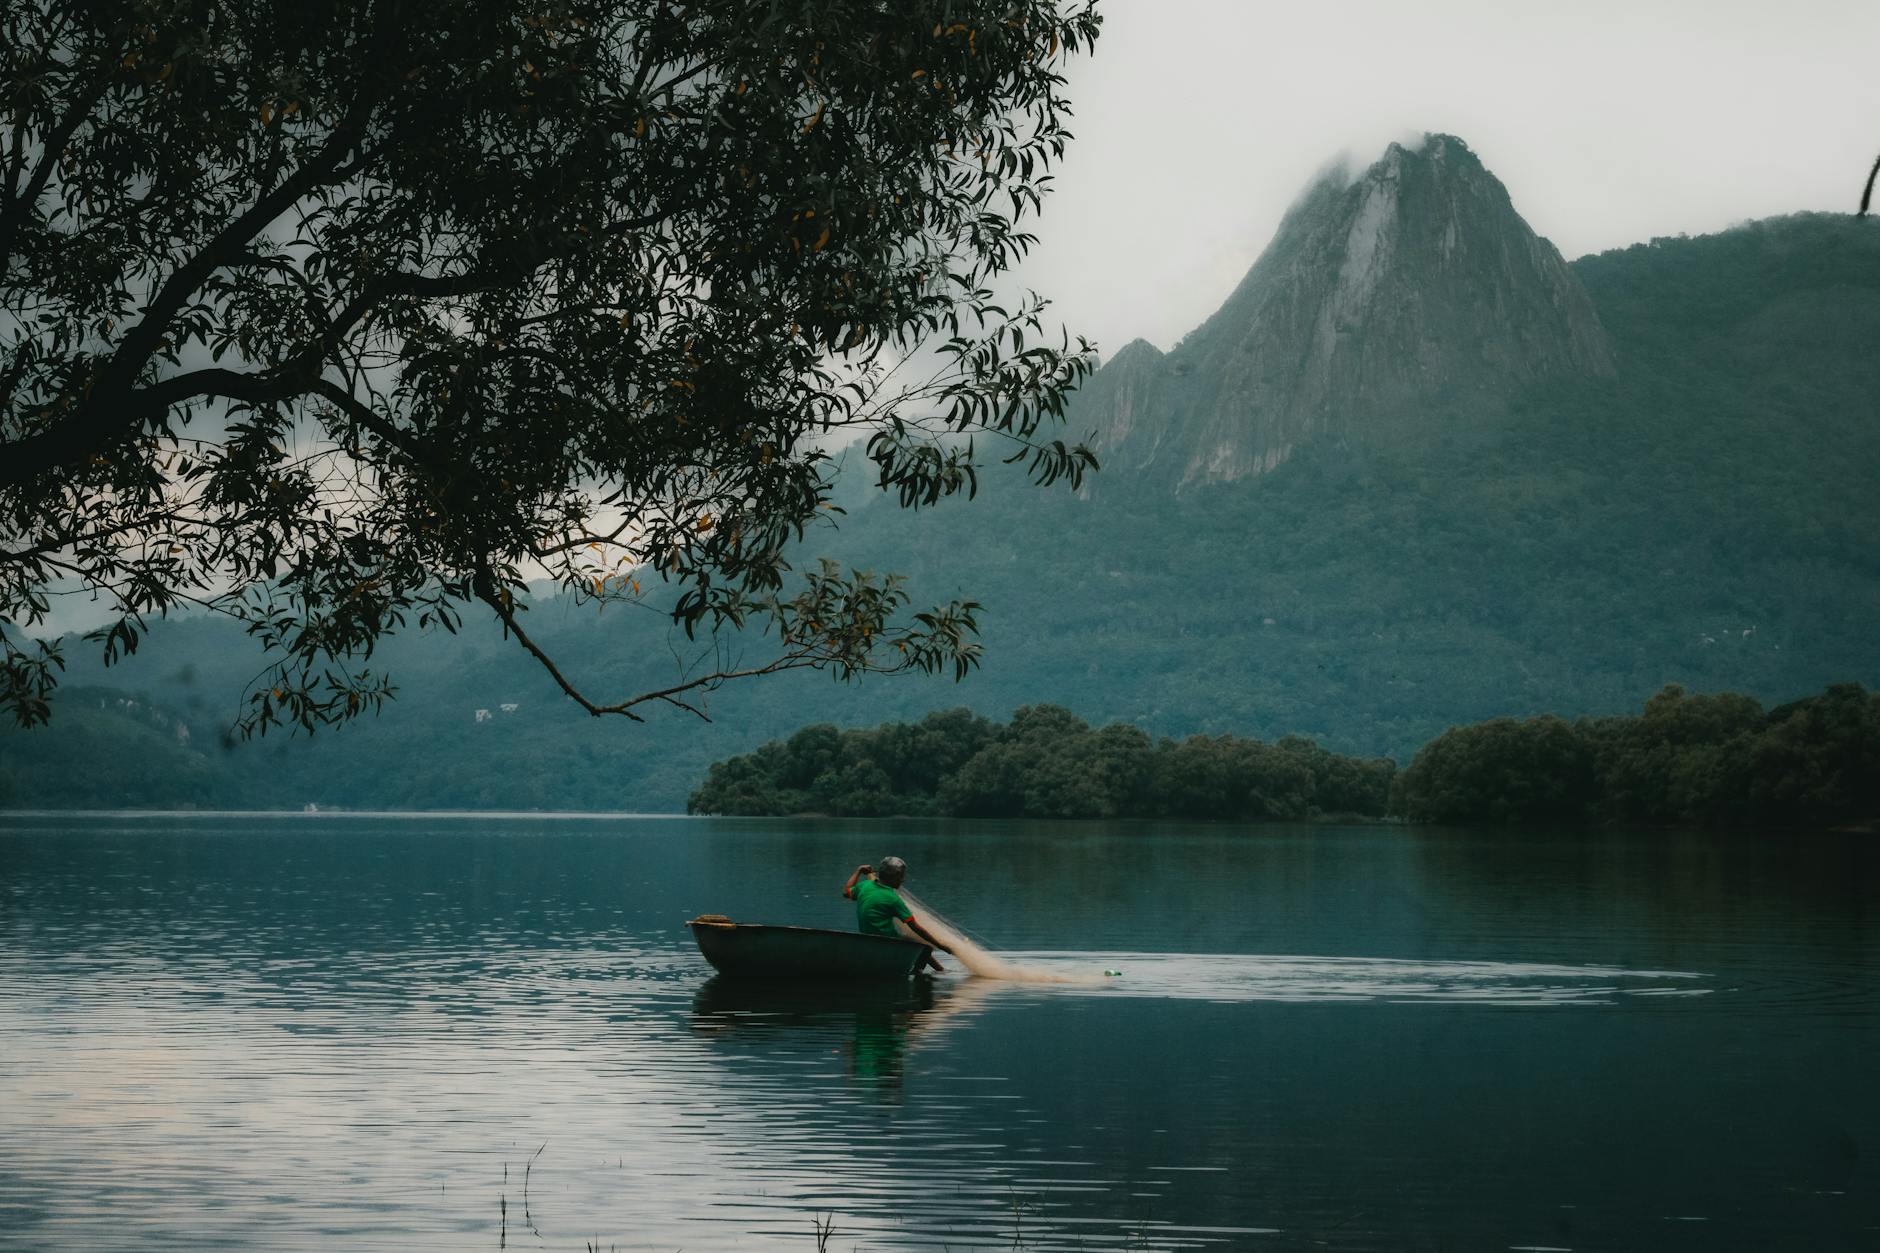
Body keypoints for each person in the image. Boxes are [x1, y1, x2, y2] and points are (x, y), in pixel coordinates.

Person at [843, 856, 951, 973]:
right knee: (926, 948)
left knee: (919, 947)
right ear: (893, 878)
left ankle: (940, 970)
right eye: (901, 877)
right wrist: (941, 946)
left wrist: (858, 870)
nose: (903, 880)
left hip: (868, 938)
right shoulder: (893, 900)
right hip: (887, 942)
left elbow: (846, 892)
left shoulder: (865, 886)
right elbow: (916, 928)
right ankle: (917, 974)